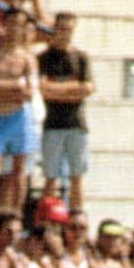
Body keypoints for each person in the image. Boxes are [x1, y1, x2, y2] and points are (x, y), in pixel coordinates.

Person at [0, 7, 37, 215]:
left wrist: (2, 85)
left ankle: (15, 216)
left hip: (19, 118)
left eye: (20, 25)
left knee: (19, 173)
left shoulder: (27, 58)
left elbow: (29, 93)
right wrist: (16, 86)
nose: (15, 29)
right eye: (12, 23)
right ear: (4, 24)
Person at [37, 11, 93, 213]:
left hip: (76, 124)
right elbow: (42, 89)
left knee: (77, 176)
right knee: (50, 177)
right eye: (61, 29)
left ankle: (77, 215)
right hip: (52, 124)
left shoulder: (81, 57)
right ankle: (47, 217)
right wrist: (72, 89)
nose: (65, 34)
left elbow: (87, 89)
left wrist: (56, 89)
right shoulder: (43, 58)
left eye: (69, 30)